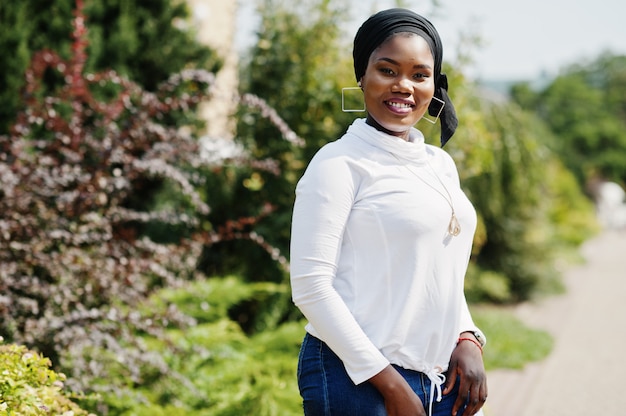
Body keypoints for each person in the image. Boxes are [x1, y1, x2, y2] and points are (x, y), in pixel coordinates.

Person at [290, 8, 487, 416]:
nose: (404, 86)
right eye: (387, 70)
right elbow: (310, 286)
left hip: (438, 377)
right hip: (356, 377)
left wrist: (466, 337)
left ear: (435, 85)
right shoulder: (338, 164)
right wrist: (390, 384)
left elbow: (438, 270)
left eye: (419, 74)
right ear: (362, 76)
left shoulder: (439, 164)